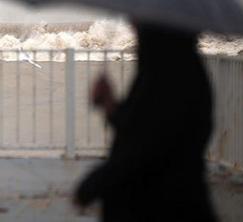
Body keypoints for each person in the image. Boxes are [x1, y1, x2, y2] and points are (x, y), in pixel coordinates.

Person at [72, 23, 218, 221]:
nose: (134, 26)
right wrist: (109, 104)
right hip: (176, 200)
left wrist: (93, 185)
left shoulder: (168, 76)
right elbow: (141, 124)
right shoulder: (178, 69)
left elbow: (146, 148)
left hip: (160, 206)